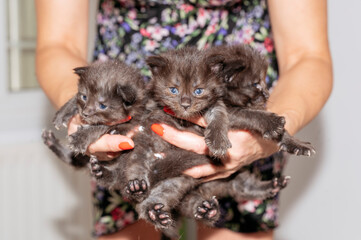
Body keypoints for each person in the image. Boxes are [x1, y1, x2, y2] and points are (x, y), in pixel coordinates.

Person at [35, 0, 333, 239]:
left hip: (237, 95)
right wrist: (87, 108)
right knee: (134, 191)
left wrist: (271, 129)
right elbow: (57, 43)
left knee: (232, 212)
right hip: (123, 102)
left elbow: (308, 56)